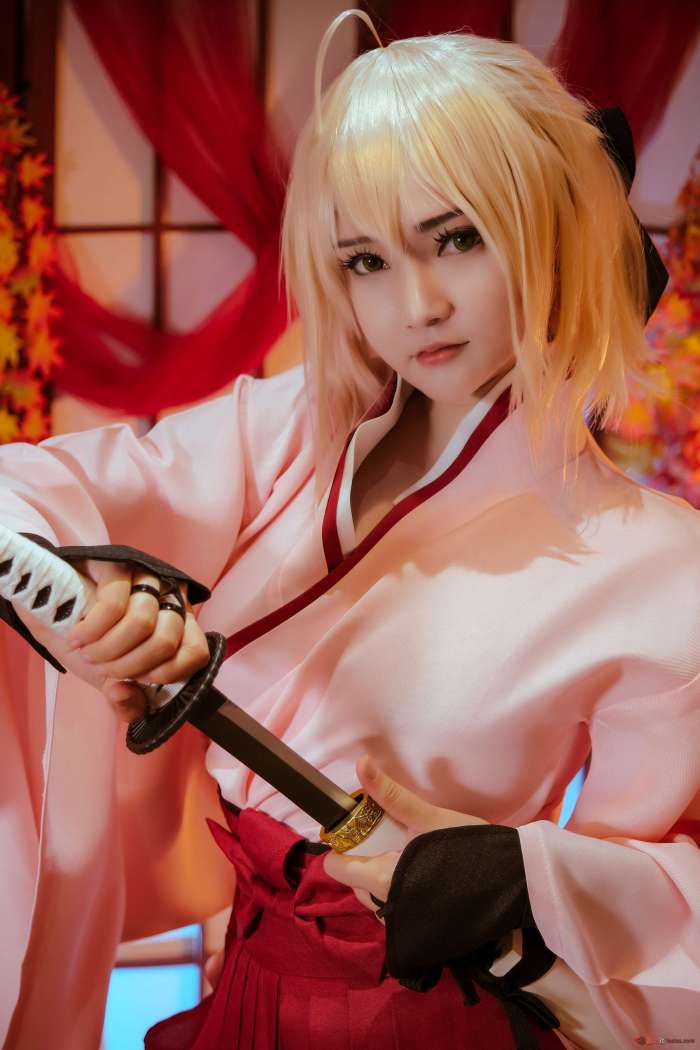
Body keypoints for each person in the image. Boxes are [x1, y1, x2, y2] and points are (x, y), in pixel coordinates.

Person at [1, 9, 698, 1050]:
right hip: (249, 988)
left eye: (457, 239)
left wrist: (527, 872)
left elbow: (669, 893)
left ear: (554, 229)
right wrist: (109, 596)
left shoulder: (662, 565)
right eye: (365, 260)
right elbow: (26, 494)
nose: (415, 306)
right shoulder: (287, 436)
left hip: (429, 1016)